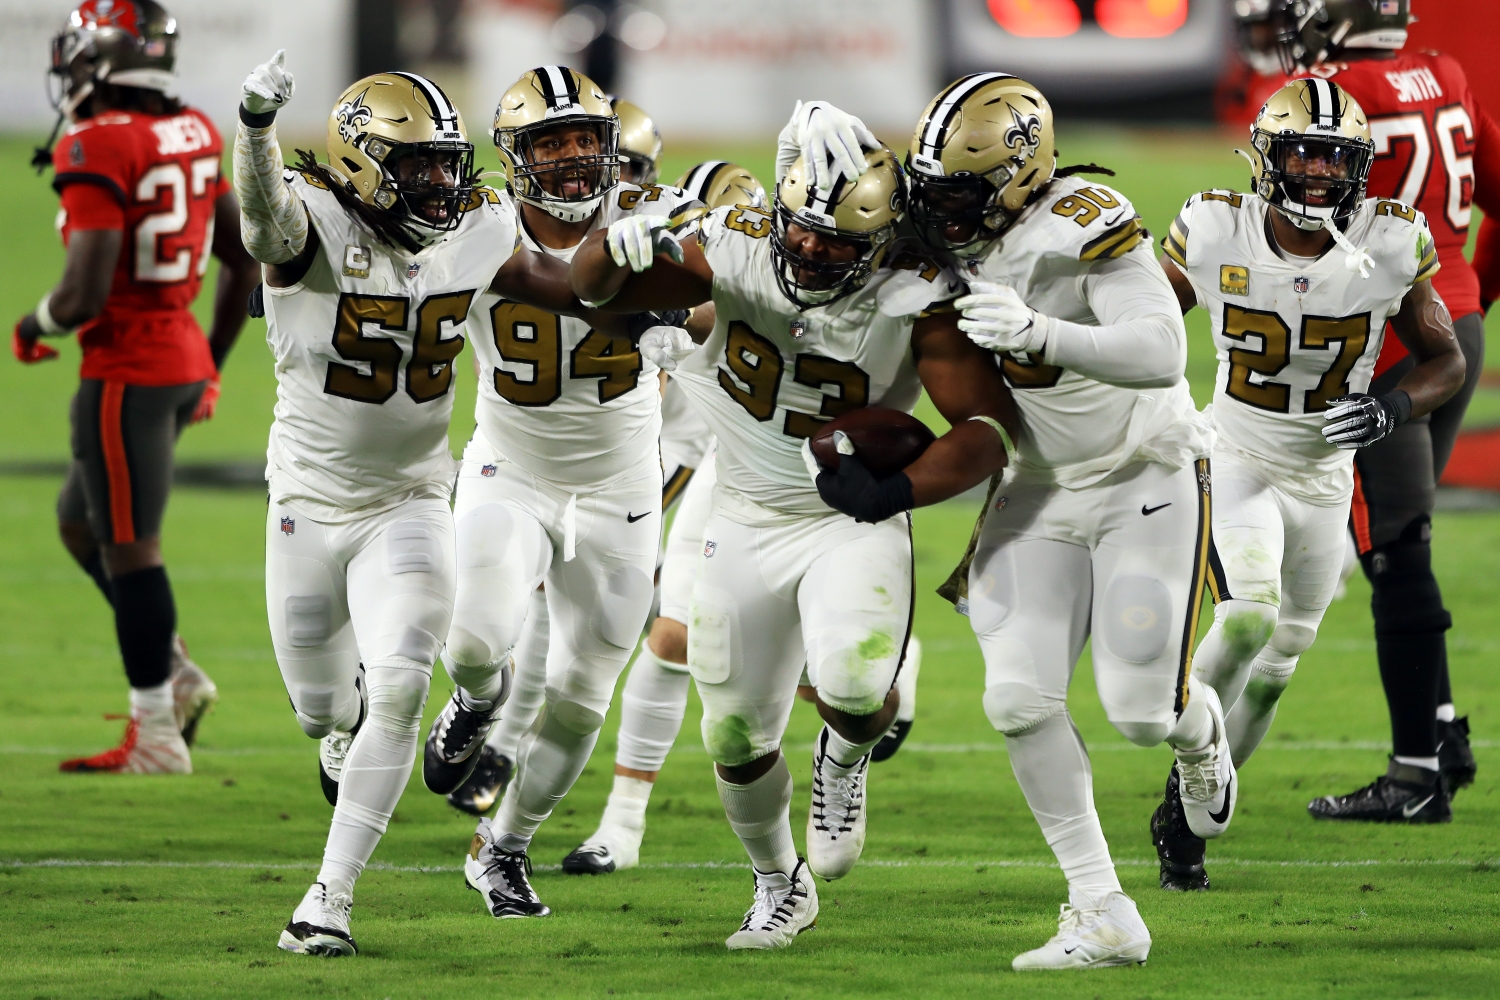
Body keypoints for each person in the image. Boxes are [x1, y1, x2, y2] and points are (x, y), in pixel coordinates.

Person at [571, 114, 1018, 949]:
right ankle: (779, 884)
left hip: (846, 519)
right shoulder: (732, 241)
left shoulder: (917, 289)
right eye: (804, 234)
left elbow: (987, 430)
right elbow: (591, 292)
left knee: (852, 687)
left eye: (838, 245)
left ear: (882, 240)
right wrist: (612, 245)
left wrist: (898, 491)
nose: (812, 255)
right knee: (732, 736)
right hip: (739, 514)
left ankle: (841, 765)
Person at [233, 53, 575, 956]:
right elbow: (264, 224)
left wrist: (659, 303)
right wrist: (256, 130)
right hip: (306, 499)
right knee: (322, 710)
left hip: (413, 498)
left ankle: (327, 902)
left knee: (396, 690)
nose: (440, 182)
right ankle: (339, 735)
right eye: (417, 164)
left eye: (446, 162)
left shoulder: (477, 223)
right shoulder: (311, 220)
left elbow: (564, 283)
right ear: (357, 163)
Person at [908, 73, 1220, 968]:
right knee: (1015, 698)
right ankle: (1102, 908)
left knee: (1139, 713)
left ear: (1018, 173)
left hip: (1144, 471)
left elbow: (1162, 353)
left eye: (963, 194)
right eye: (936, 192)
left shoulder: (1086, 215)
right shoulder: (934, 237)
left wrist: (1042, 333)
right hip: (1037, 487)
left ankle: (1198, 737)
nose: (945, 213)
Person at [431, 67, 700, 921]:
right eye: (552, 142)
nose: (575, 157)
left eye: (586, 137)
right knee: (476, 642)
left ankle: (500, 850)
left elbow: (711, 308)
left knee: (583, 699)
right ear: (517, 156)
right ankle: (476, 701)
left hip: (625, 486)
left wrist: (680, 300)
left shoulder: (651, 219)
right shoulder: (478, 222)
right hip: (513, 467)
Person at [13, 0, 258, 774]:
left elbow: (82, 295)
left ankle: (155, 727)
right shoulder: (191, 128)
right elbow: (242, 259)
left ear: (105, 57)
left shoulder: (96, 142)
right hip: (178, 353)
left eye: (81, 54)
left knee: (129, 548)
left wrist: (33, 322)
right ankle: (174, 668)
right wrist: (211, 360)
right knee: (79, 523)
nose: (70, 69)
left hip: (128, 369)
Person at [1270, 0, 1500, 820]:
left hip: (1381, 341)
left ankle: (1416, 774)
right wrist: (1473, 302)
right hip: (1452, 327)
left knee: (1395, 548)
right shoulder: (1447, 74)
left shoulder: (1332, 91)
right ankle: (1439, 734)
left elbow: (1279, 226)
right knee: (1401, 547)